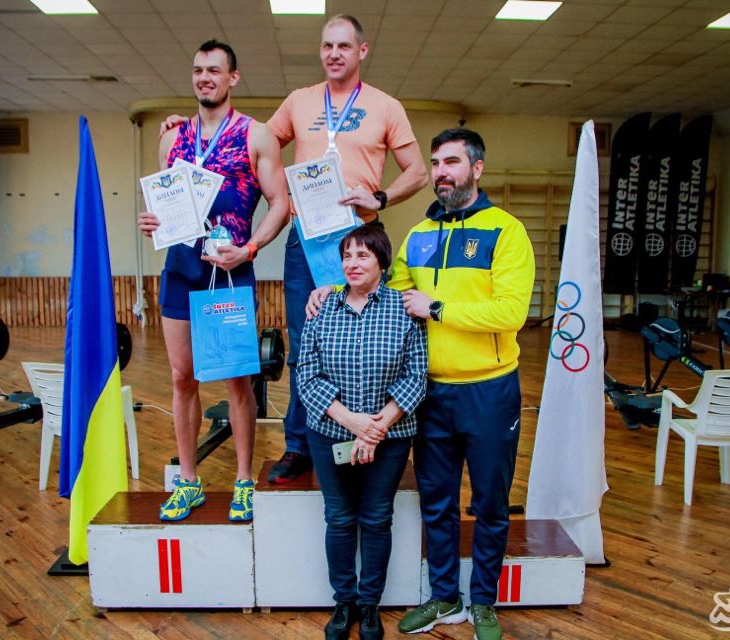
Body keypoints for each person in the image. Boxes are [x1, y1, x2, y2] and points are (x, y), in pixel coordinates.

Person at [164, 15, 429, 483]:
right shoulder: (299, 101)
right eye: (327, 45)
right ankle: (300, 444)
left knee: (365, 342)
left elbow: (418, 172)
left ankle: (365, 437)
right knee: (305, 345)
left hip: (358, 237)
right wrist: (186, 128)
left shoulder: (386, 106)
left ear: (362, 51)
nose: (334, 54)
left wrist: (382, 196)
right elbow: (245, 144)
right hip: (306, 239)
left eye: (343, 46)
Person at [308, 128, 535, 640]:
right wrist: (333, 289)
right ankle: (444, 596)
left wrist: (438, 308)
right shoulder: (418, 235)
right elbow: (385, 288)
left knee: (490, 503)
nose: (440, 172)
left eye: (451, 162)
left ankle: (483, 602)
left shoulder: (507, 231)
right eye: (435, 163)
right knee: (437, 502)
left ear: (477, 168)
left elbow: (511, 313)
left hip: (489, 389)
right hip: (432, 394)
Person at [138, 39, 290, 522]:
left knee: (237, 380)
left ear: (232, 78)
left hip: (229, 271)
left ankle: (243, 481)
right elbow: (167, 206)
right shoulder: (171, 138)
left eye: (214, 70)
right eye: (198, 70)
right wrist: (153, 222)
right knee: (181, 377)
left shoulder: (256, 135)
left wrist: (250, 248)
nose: (204, 78)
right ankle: (189, 481)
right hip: (181, 270)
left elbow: (281, 204)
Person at [297, 224, 427, 640]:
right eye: (347, 256)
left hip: (390, 436)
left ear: (382, 262)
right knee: (338, 518)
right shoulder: (322, 308)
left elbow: (416, 376)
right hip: (329, 432)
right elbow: (306, 375)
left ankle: (369, 604)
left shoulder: (404, 310)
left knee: (376, 518)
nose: (352, 263)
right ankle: (344, 602)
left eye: (363, 255)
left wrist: (376, 427)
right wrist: (352, 422)